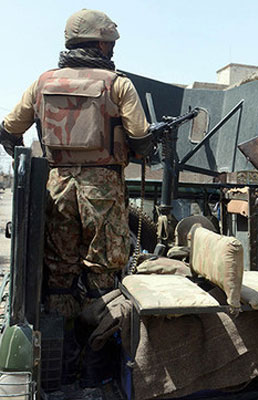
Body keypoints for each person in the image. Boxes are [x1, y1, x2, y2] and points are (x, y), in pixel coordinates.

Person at [0, 9, 150, 387]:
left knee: (60, 280)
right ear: (101, 42)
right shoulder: (118, 85)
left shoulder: (42, 84)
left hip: (58, 188)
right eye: (110, 42)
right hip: (104, 194)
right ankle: (97, 370)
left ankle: (58, 366)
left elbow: (8, 130)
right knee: (104, 279)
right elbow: (142, 140)